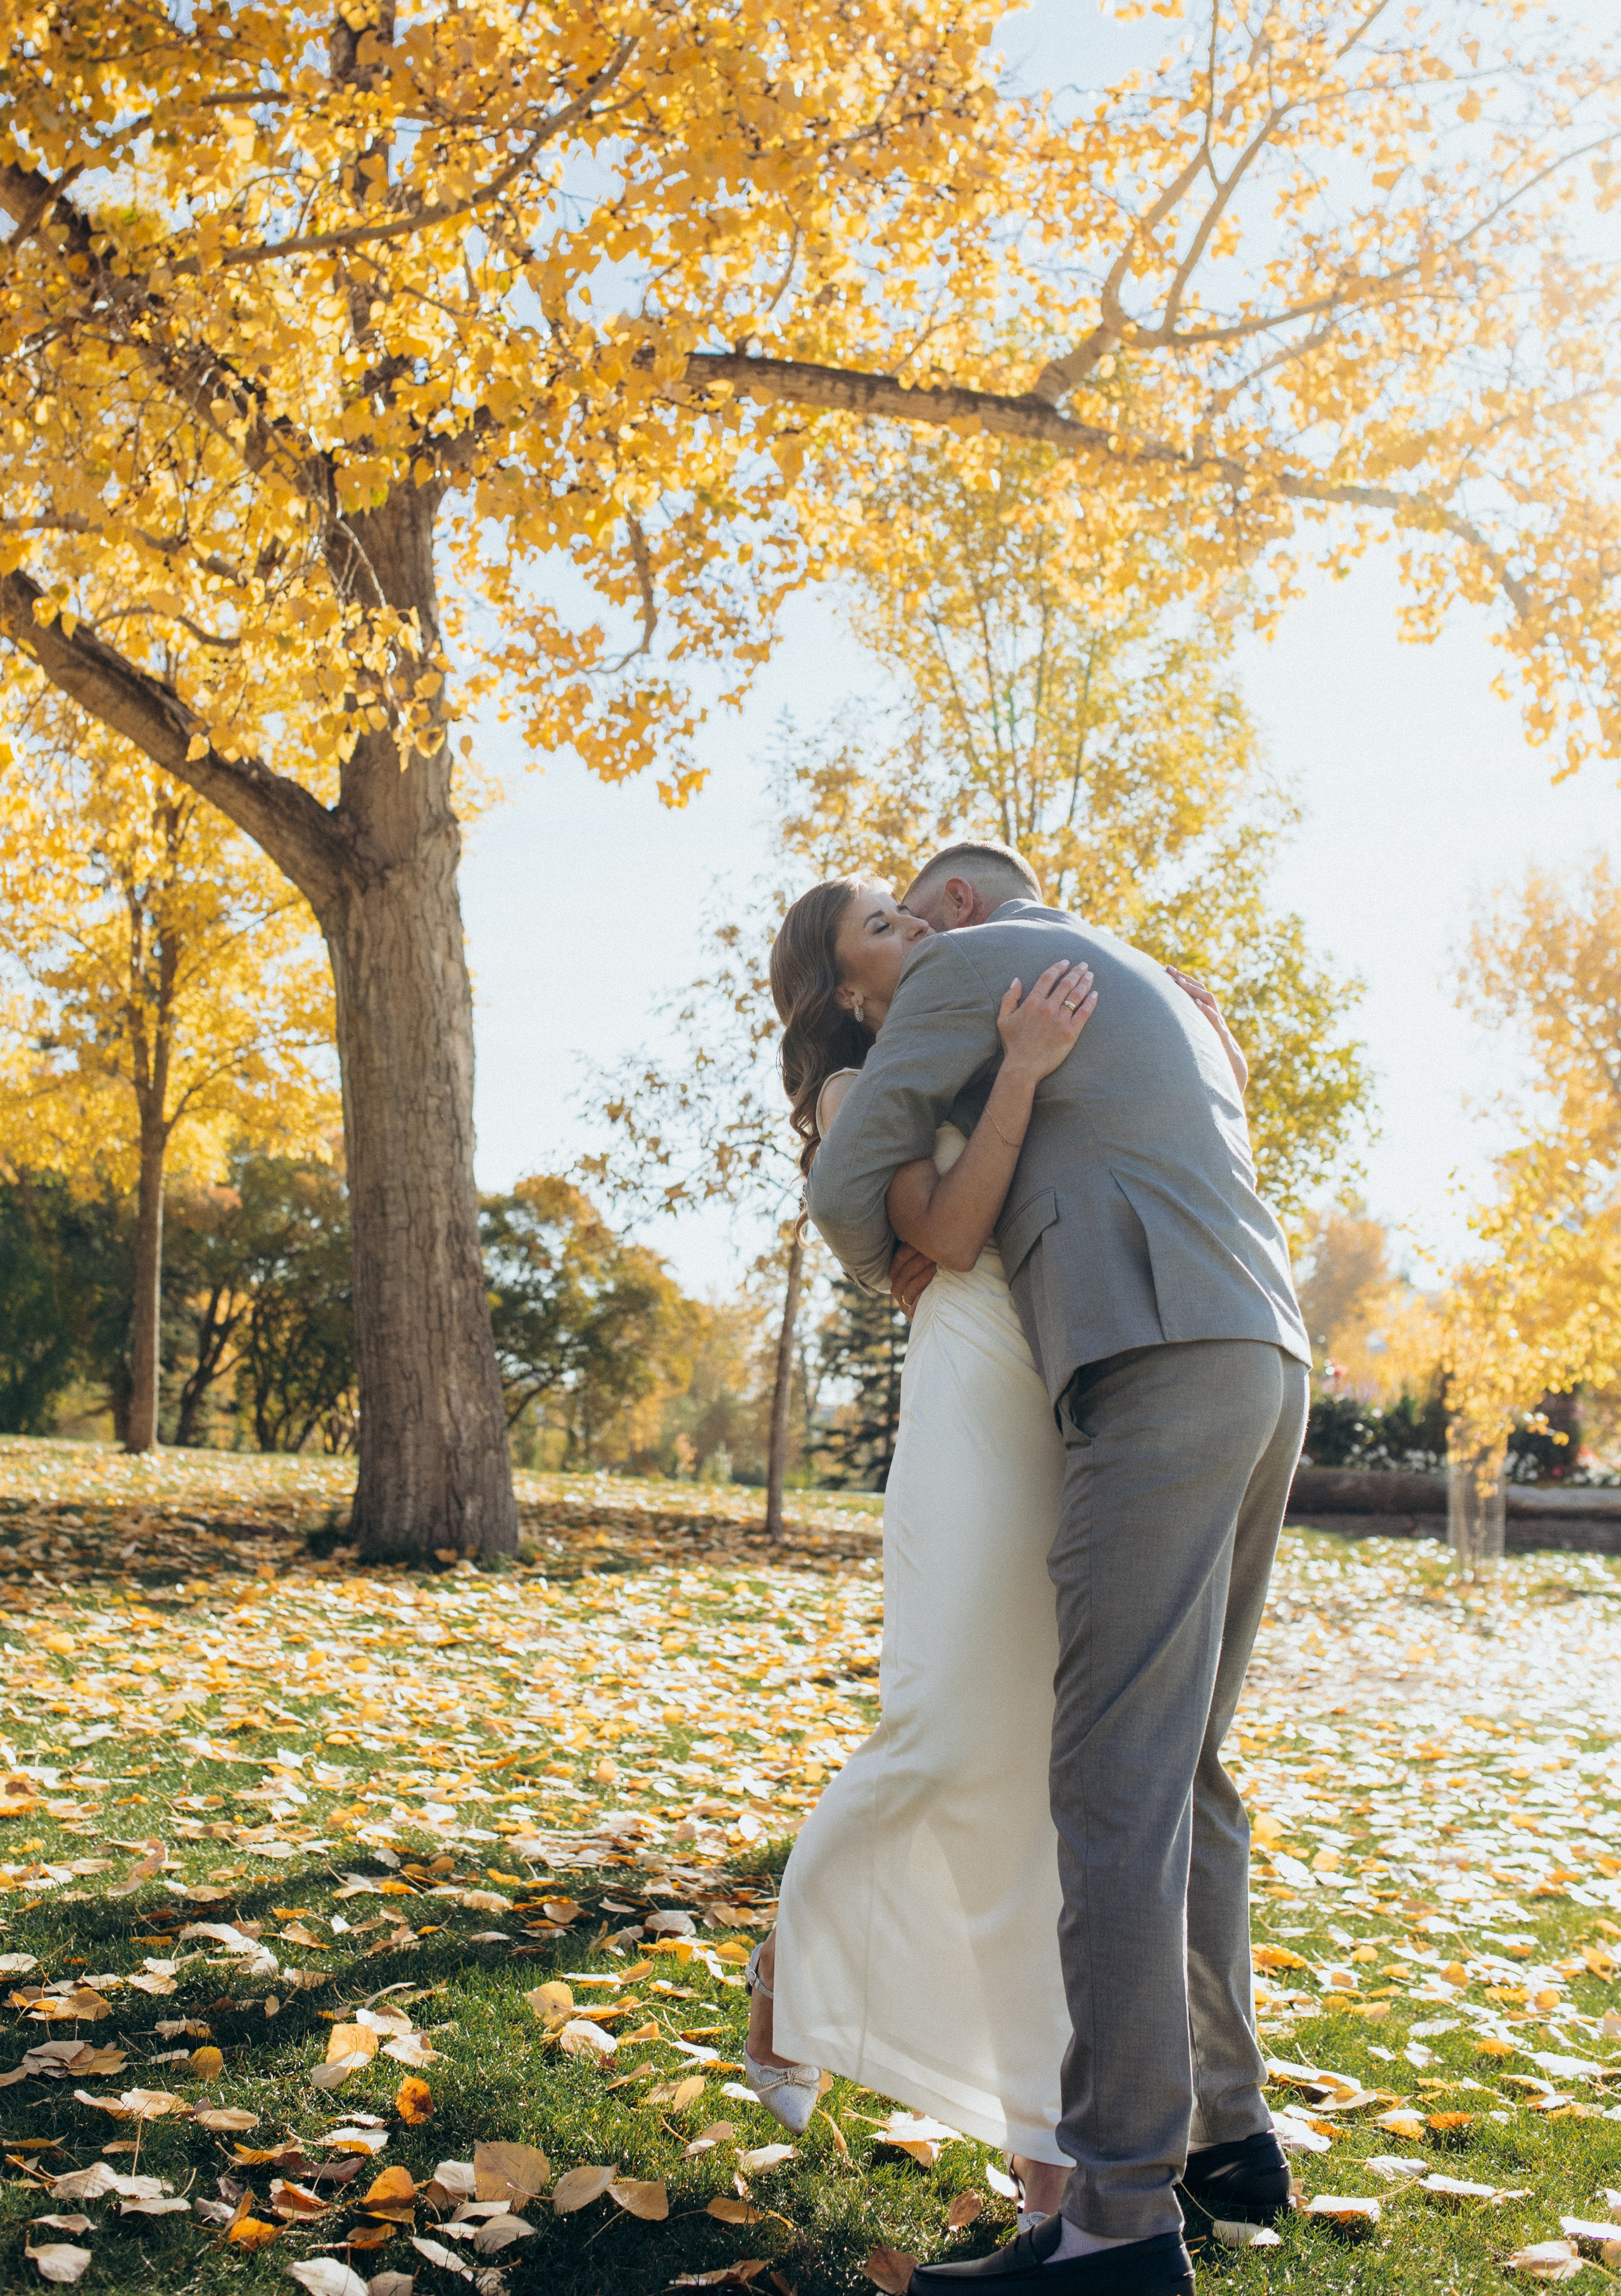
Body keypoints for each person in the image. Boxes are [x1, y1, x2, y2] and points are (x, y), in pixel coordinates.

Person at [756, 846, 1304, 2295]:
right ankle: (1228, 2134)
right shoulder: (1151, 989)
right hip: (1256, 1350)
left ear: (968, 918)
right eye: (886, 919)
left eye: (920, 908)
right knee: (1176, 1764)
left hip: (1147, 1357)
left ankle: (1115, 2220)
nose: (915, 929)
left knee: (1110, 1783)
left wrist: (948, 1151)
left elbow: (849, 1202)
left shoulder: (976, 970)